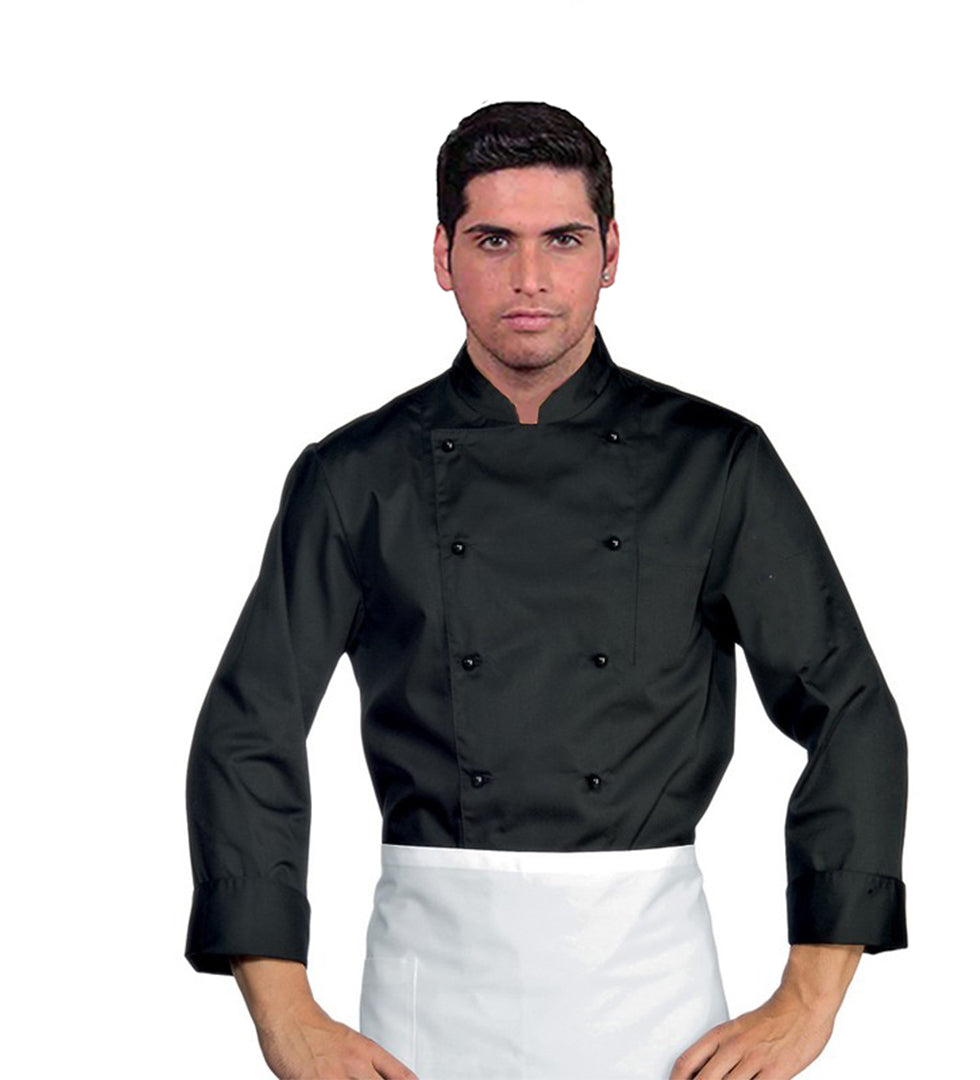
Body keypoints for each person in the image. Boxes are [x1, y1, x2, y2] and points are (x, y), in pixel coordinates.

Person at [184, 101, 908, 1080]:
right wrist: (283, 1013)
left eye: (562, 239)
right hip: (425, 997)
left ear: (610, 252)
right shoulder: (355, 475)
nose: (529, 277)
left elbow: (851, 710)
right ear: (443, 255)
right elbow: (248, 727)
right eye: (494, 240)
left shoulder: (715, 464)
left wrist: (810, 1000)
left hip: (655, 999)